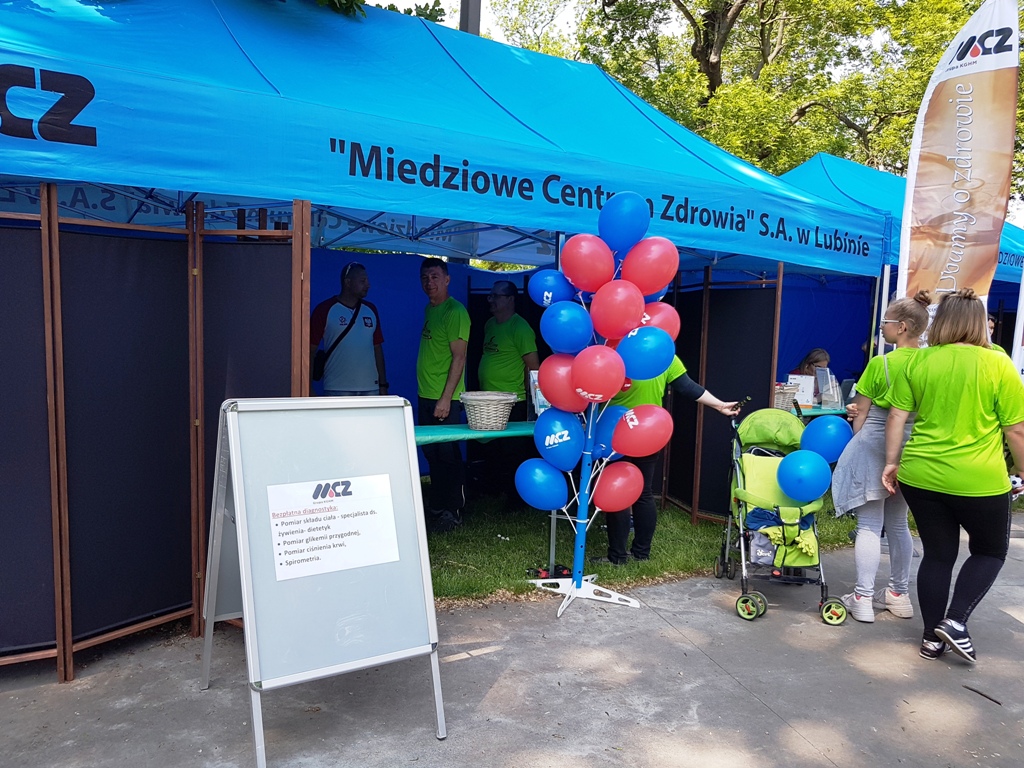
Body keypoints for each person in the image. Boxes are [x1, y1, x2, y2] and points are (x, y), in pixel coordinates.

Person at [882, 288, 1024, 663]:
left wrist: (891, 462)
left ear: (940, 322)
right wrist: (1022, 469)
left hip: (920, 474)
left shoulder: (917, 361)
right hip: (979, 480)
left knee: (938, 554)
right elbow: (1016, 430)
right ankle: (956, 620)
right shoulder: (999, 364)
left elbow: (897, 416)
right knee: (990, 551)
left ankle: (932, 639)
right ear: (980, 323)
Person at [832, 291, 930, 623]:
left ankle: (861, 597)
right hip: (911, 447)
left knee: (870, 525)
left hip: (876, 441)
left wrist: (857, 440)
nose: (881, 328)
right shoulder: (929, 362)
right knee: (899, 524)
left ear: (902, 326)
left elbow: (860, 410)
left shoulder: (881, 363)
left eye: (885, 322)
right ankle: (899, 595)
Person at [597, 356, 740, 565]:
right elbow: (687, 386)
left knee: (618, 490)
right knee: (643, 492)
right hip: (649, 429)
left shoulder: (615, 351)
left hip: (615, 429)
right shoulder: (664, 354)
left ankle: (617, 557)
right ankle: (641, 554)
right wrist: (720, 405)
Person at [417, 257, 471, 533]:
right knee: (432, 454)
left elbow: (459, 358)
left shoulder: (455, 311)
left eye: (435, 277)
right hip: (426, 395)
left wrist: (446, 398)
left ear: (447, 279)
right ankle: (438, 506)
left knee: (448, 455)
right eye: (425, 277)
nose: (430, 282)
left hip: (444, 398)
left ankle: (454, 510)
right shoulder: (431, 309)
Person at [309, 261, 388, 396]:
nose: (368, 285)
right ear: (348, 282)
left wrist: (383, 385)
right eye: (362, 281)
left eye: (367, 280)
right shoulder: (324, 310)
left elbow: (377, 348)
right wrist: (308, 387)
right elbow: (310, 351)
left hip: (370, 388)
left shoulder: (371, 310)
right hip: (337, 388)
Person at [478, 281, 540, 420]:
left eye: (495, 296)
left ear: (510, 299)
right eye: (490, 296)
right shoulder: (489, 324)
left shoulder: (520, 328)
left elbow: (533, 368)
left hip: (512, 401)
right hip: (487, 398)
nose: (491, 300)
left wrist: (528, 399)